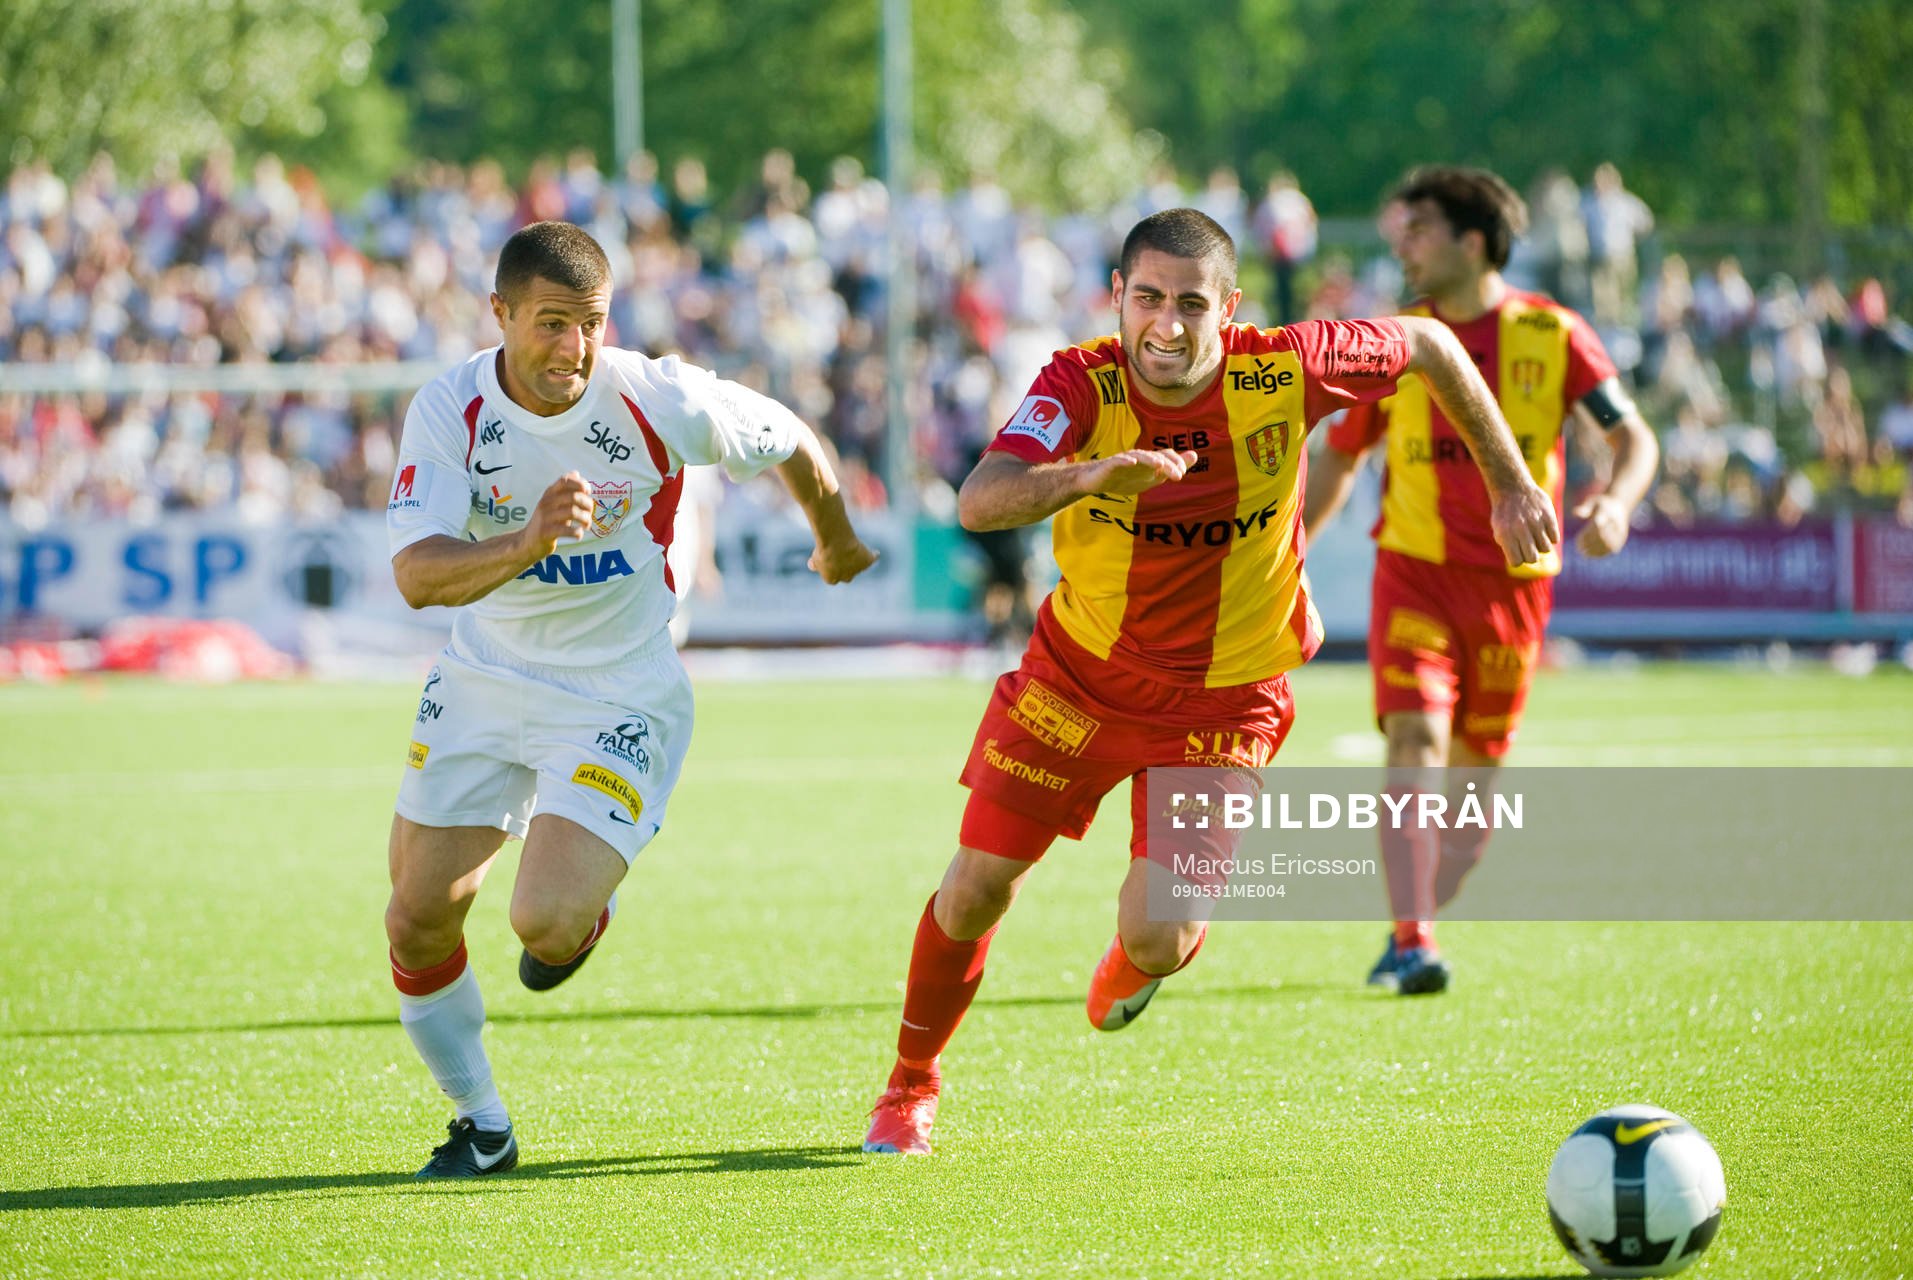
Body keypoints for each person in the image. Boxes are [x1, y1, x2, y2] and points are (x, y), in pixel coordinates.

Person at [861, 208, 1559, 1156]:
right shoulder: (1078, 380)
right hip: (1079, 678)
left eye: (1191, 304)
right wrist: (1090, 474)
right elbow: (982, 498)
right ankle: (910, 1084)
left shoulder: (1287, 367)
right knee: (976, 885)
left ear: (1228, 310)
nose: (1166, 324)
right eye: (1146, 298)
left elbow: (1430, 341)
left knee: (1157, 938)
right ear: (1116, 298)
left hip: (1228, 700)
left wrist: (1511, 480)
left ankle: (1138, 957)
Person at [383, 220, 877, 1178]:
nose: (573, 349)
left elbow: (791, 438)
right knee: (415, 918)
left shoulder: (658, 397)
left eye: (592, 325)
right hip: (482, 676)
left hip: (618, 693)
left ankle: (584, 904)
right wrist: (525, 543)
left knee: (544, 926)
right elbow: (416, 576)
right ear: (500, 315)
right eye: (551, 324)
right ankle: (481, 1124)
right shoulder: (449, 408)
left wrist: (836, 536)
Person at [1305, 167, 1659, 995]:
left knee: (1467, 810)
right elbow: (1339, 454)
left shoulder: (1554, 333)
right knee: (1413, 743)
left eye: (1420, 230)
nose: (1402, 245)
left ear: (1473, 242)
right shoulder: (1394, 339)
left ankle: (1422, 907)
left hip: (1513, 590)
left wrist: (1615, 502)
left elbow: (1634, 439)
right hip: (1415, 575)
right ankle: (1410, 940)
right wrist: (1289, 556)